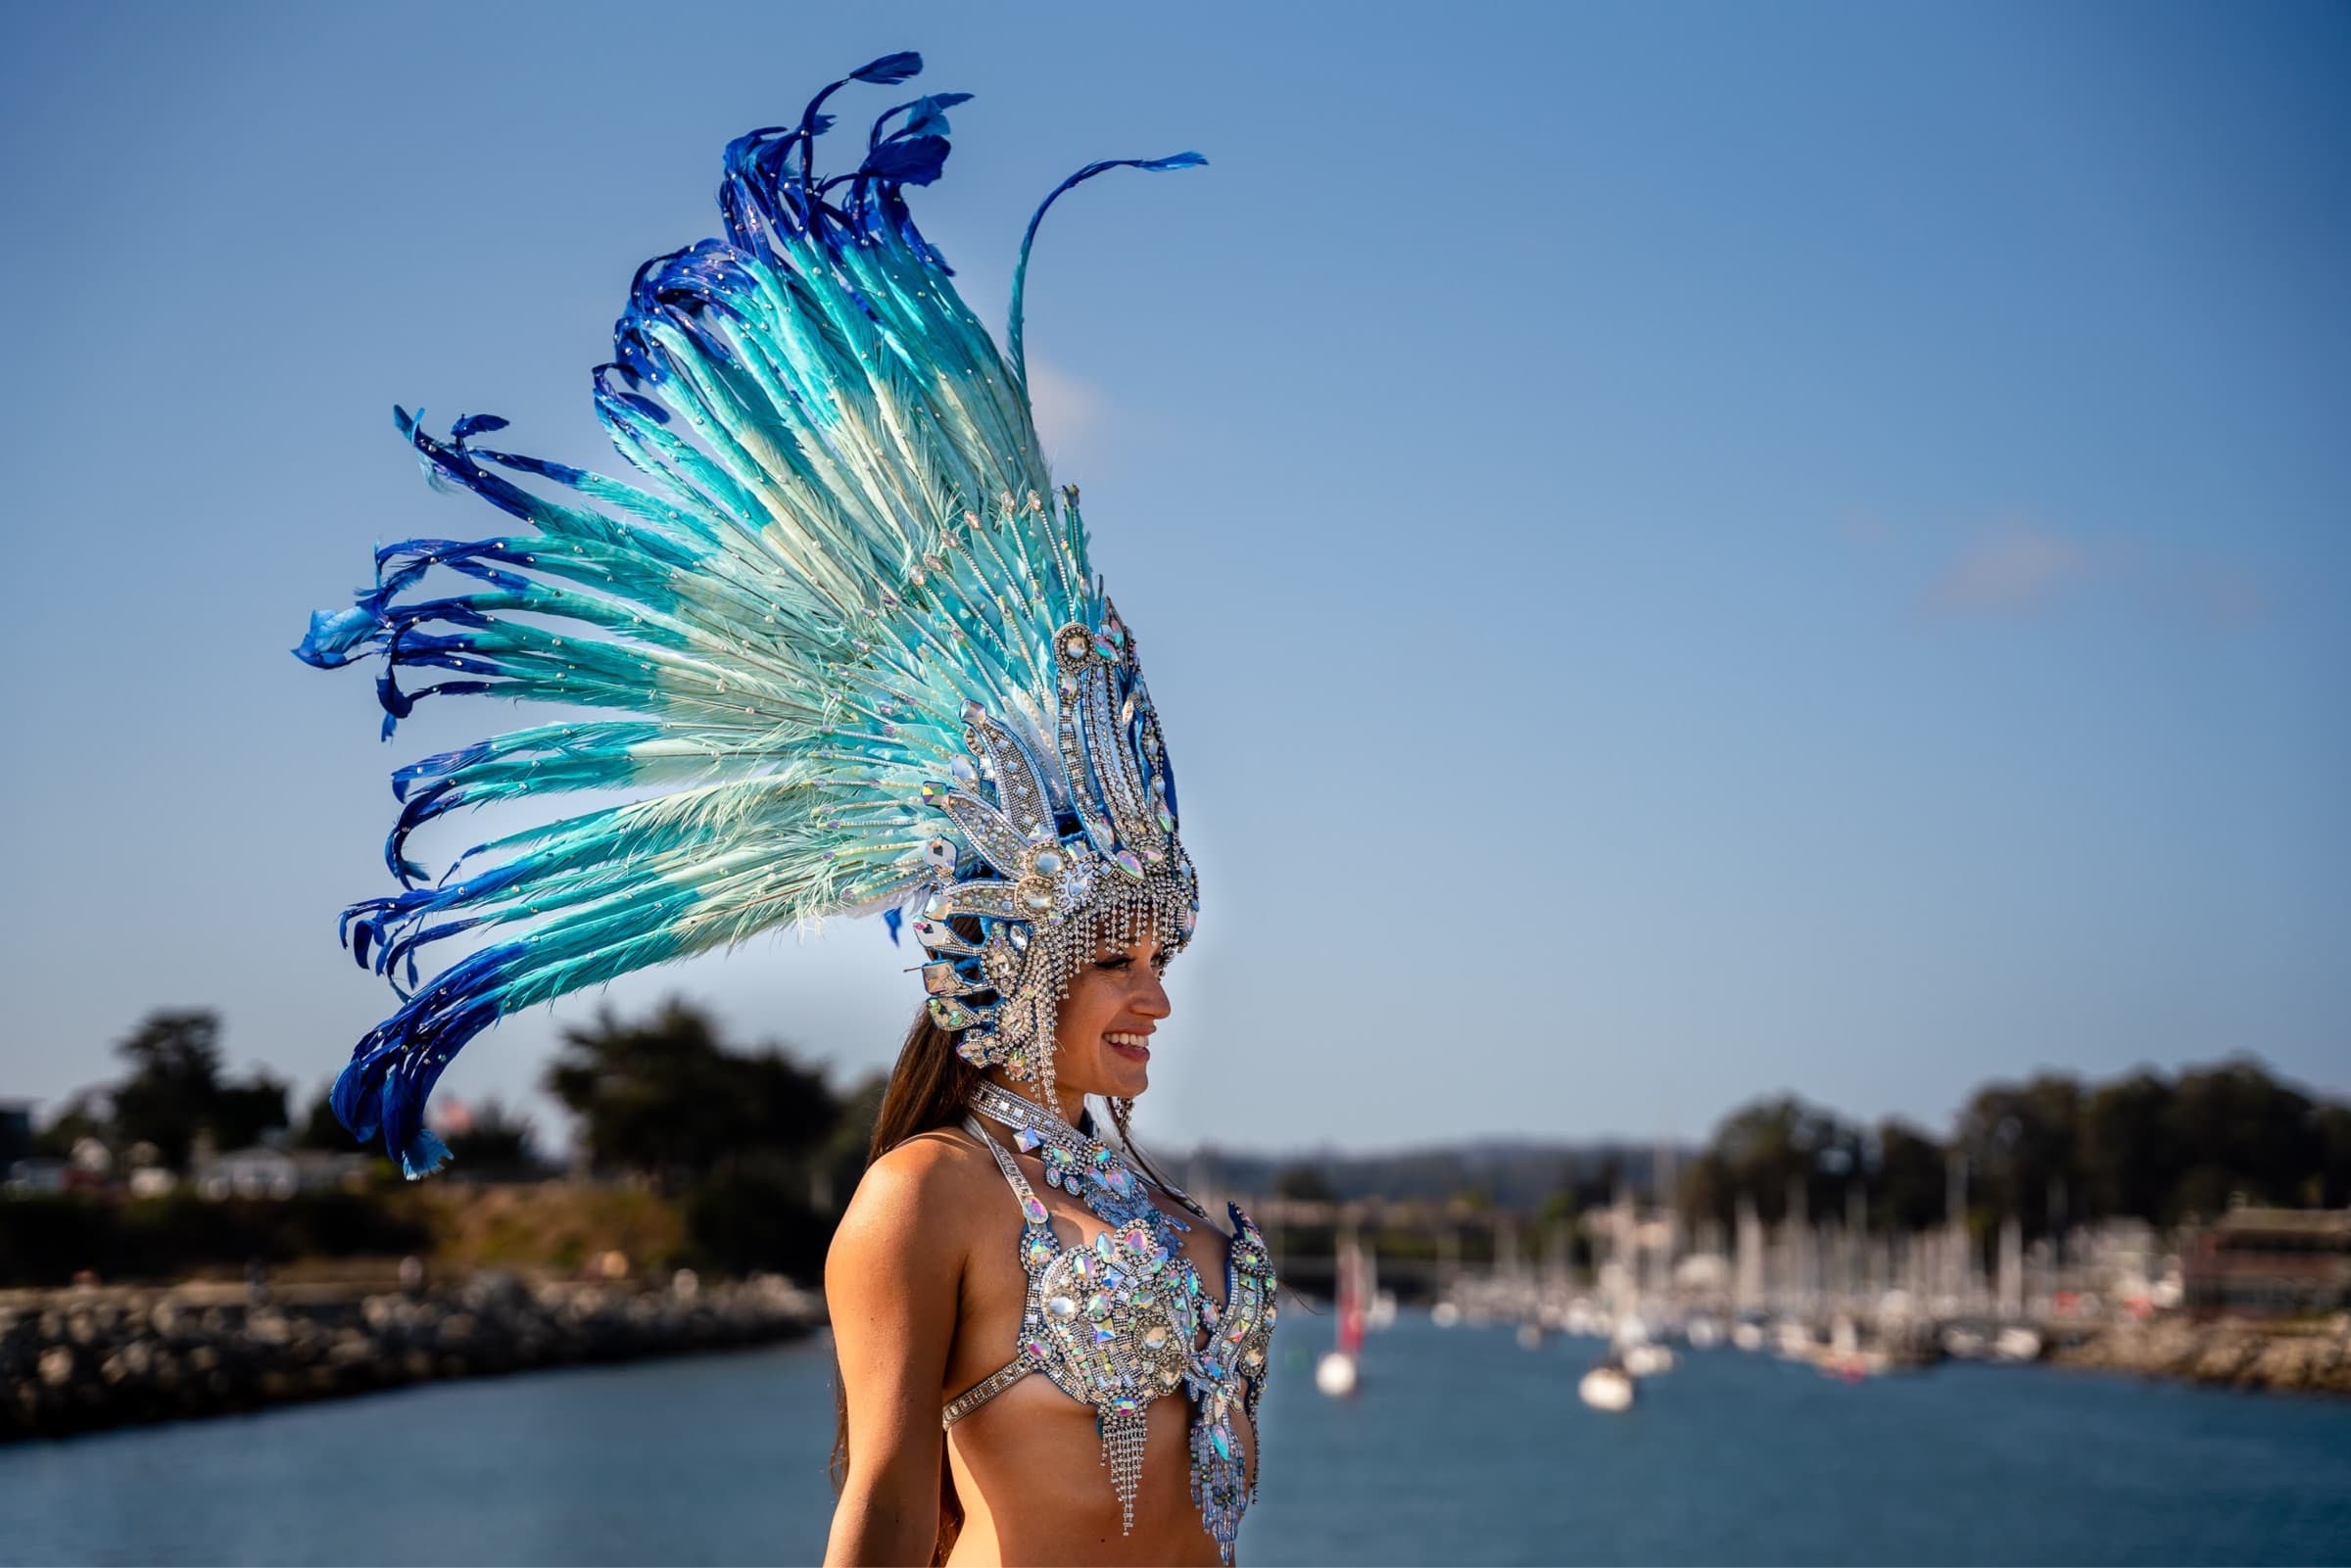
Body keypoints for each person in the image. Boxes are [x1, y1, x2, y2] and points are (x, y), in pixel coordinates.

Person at [295, 49, 1271, 1568]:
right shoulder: (926, 1199)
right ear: (1011, 968)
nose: (1156, 990)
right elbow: (883, 1506)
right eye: (1118, 953)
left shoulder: (1175, 1213)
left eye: (1163, 953)